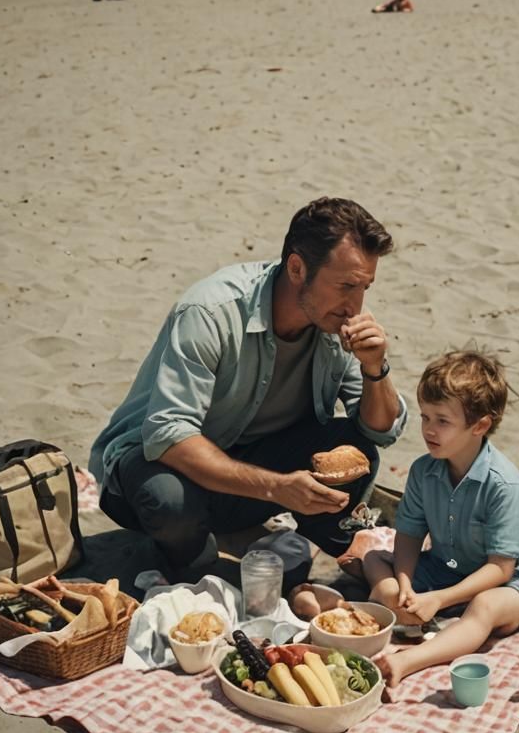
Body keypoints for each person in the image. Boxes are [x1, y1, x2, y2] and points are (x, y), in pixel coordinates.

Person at [89, 198, 407, 586]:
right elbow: (168, 436)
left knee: (356, 451)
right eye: (345, 286)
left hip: (245, 479)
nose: (354, 306)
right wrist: (276, 487)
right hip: (152, 470)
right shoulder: (211, 311)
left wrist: (375, 369)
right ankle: (197, 565)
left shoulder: (336, 322)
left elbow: (379, 431)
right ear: (297, 268)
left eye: (364, 287)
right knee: (169, 502)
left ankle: (306, 552)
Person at [362, 351, 519, 686]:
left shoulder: (502, 485)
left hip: (510, 585)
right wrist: (405, 585)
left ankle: (406, 660)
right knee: (375, 559)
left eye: (442, 421)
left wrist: (440, 598)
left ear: (480, 426)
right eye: (425, 417)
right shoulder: (423, 471)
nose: (429, 430)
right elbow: (409, 535)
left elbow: (501, 568)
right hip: (445, 569)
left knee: (485, 606)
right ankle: (400, 603)